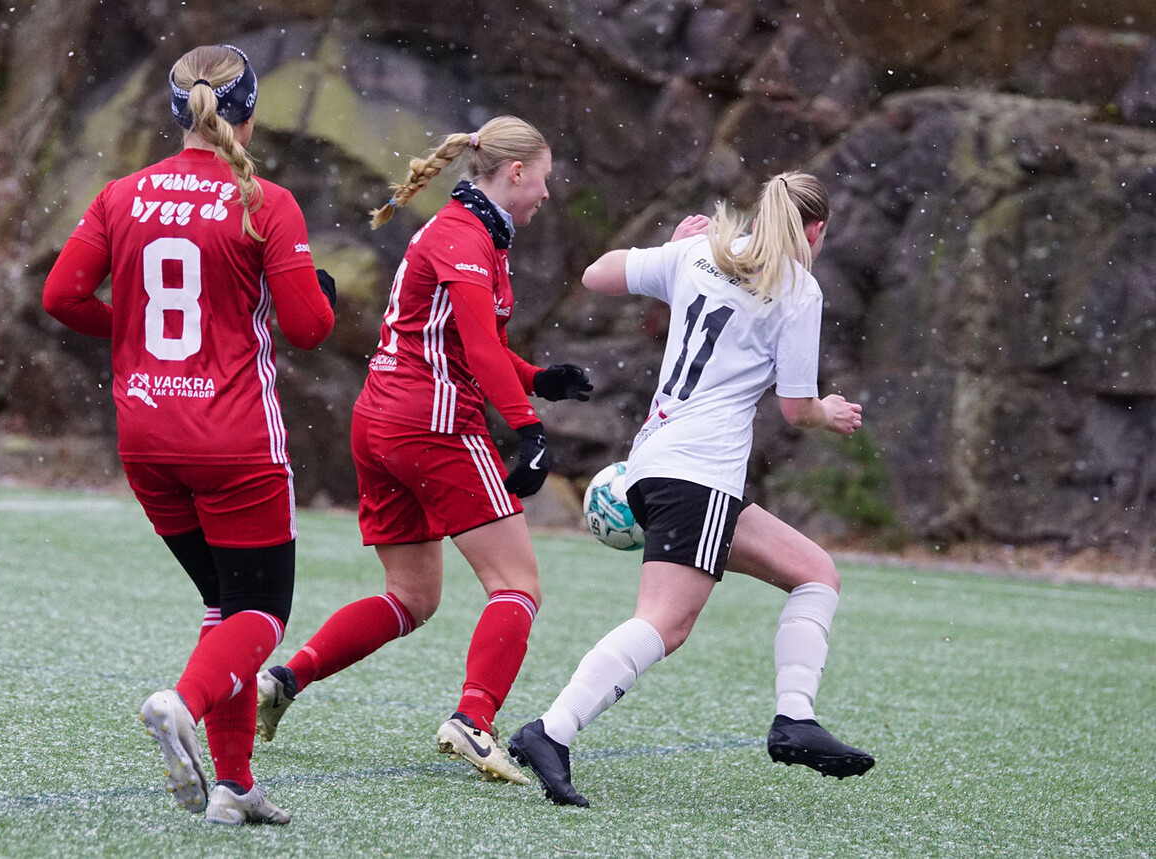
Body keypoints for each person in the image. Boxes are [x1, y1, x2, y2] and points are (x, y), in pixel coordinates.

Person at [507, 171, 874, 807]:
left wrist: (672, 249)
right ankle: (550, 731)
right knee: (665, 623)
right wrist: (830, 412)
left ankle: (795, 719)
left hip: (656, 463)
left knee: (816, 574)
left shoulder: (699, 252)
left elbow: (596, 274)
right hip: (699, 474)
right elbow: (796, 409)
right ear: (815, 230)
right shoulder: (798, 288)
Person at [43, 44, 336, 825]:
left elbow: (61, 295)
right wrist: (321, 292)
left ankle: (234, 785)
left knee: (223, 601)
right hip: (233, 439)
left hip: (146, 436)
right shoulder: (265, 201)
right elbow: (309, 328)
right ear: (249, 110)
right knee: (262, 611)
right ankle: (184, 702)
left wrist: (132, 337)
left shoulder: (121, 194)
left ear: (176, 112)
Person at [253, 116, 593, 785]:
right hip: (430, 424)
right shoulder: (465, 235)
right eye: (543, 179)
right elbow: (477, 345)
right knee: (517, 584)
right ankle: (473, 720)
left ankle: (283, 680)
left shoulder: (469, 230)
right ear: (515, 173)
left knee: (411, 596)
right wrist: (529, 428)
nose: (546, 194)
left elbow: (465, 341)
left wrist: (537, 379)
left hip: (381, 419)